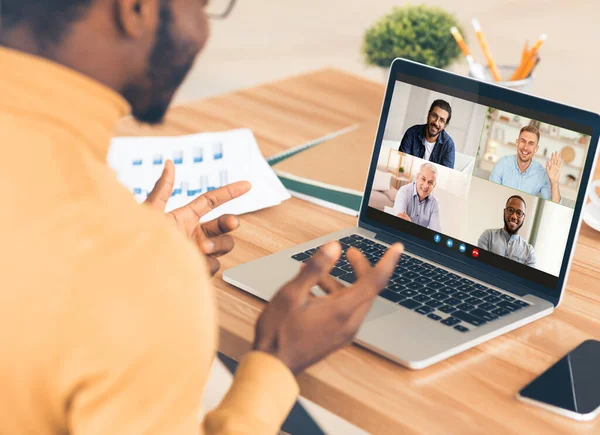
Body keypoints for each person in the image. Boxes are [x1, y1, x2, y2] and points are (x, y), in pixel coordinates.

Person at [0, 1, 404, 434]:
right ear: (135, 9)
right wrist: (275, 360)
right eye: (203, 7)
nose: (202, 32)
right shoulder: (123, 255)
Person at [489, 125, 563, 203]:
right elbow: (491, 192)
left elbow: (554, 205)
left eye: (531, 143)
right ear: (517, 143)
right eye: (523, 141)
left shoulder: (542, 174)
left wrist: (554, 183)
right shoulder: (502, 163)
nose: (525, 147)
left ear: (536, 149)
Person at [478, 195, 536, 266]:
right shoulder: (488, 235)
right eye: (510, 210)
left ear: (523, 218)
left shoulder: (529, 252)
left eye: (519, 213)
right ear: (504, 212)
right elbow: (481, 266)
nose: (514, 216)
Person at [399, 99, 456, 168]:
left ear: (445, 125)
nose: (436, 123)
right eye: (434, 116)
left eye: (442, 120)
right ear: (428, 115)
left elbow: (445, 175)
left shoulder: (448, 146)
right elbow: (401, 165)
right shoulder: (411, 133)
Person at [391, 163, 441, 231]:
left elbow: (436, 232)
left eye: (430, 182)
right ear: (417, 177)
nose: (426, 185)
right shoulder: (404, 192)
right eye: (423, 179)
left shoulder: (434, 203)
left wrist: (409, 224)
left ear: (434, 185)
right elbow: (399, 224)